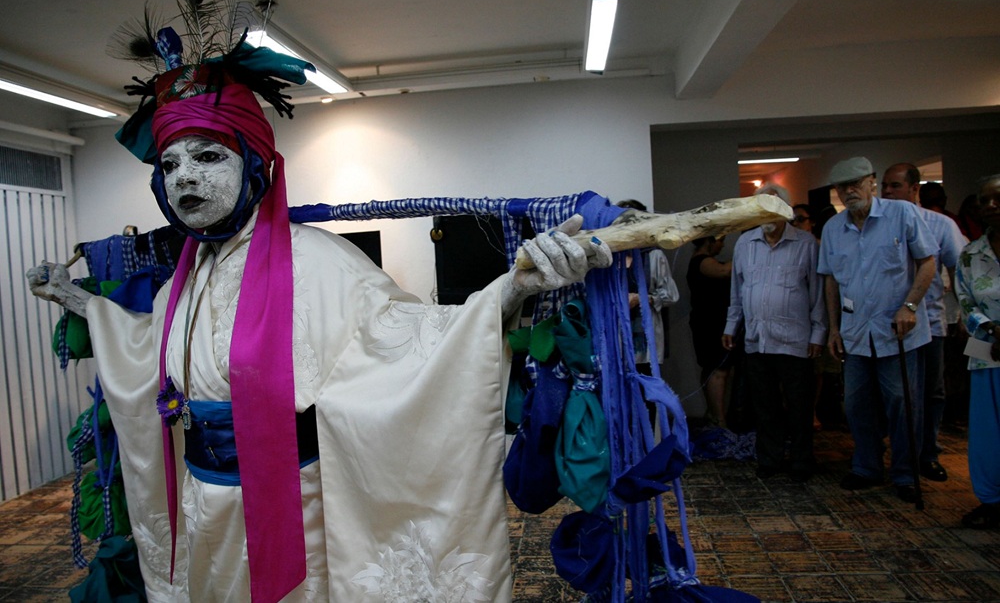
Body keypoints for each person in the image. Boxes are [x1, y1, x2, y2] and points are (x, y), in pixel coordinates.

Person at [26, 31, 613, 603]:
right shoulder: (187, 276)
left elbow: (415, 344)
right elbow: (147, 348)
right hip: (202, 499)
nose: (186, 177)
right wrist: (75, 299)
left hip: (293, 502)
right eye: (171, 164)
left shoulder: (318, 260)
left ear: (254, 164)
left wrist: (512, 288)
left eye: (207, 157)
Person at [818, 156, 938, 503]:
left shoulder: (902, 214)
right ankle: (867, 466)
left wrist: (910, 306)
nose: (849, 191)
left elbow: (928, 262)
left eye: (856, 183)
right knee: (856, 405)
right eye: (842, 187)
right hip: (856, 333)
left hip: (898, 332)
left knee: (902, 403)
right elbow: (831, 281)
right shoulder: (833, 229)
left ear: (872, 181)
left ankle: (905, 473)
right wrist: (833, 329)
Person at [723, 184, 826, 482]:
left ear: (785, 210)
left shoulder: (806, 244)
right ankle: (769, 459)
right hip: (758, 339)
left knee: (799, 405)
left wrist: (818, 334)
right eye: (760, 208)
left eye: (772, 207)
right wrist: (731, 326)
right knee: (764, 405)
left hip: (796, 341)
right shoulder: (745, 244)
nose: (766, 214)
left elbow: (817, 293)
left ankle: (802, 460)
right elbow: (738, 291)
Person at [881, 163, 967, 482]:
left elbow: (959, 270)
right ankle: (897, 456)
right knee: (897, 396)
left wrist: (963, 313)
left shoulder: (940, 224)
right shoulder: (878, 225)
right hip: (888, 325)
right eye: (884, 186)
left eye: (895, 186)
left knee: (931, 393)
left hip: (929, 322)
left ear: (914, 189)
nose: (887, 192)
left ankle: (927, 454)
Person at [955, 173, 1000, 529]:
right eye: (984, 200)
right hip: (987, 348)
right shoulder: (970, 254)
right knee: (987, 430)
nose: (991, 206)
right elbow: (965, 300)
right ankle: (991, 501)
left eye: (997, 198)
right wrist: (992, 328)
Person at [615, 199, 680, 375]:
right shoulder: (610, 259)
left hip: (645, 339)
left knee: (647, 385)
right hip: (617, 338)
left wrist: (642, 298)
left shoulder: (654, 256)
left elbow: (671, 295)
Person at [687, 235, 734, 428]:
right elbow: (724, 271)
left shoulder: (704, 261)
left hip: (712, 322)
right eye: (720, 240)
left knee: (712, 368)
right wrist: (747, 253)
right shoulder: (701, 261)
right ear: (710, 241)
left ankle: (713, 415)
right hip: (710, 323)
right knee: (717, 369)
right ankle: (719, 419)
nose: (722, 245)